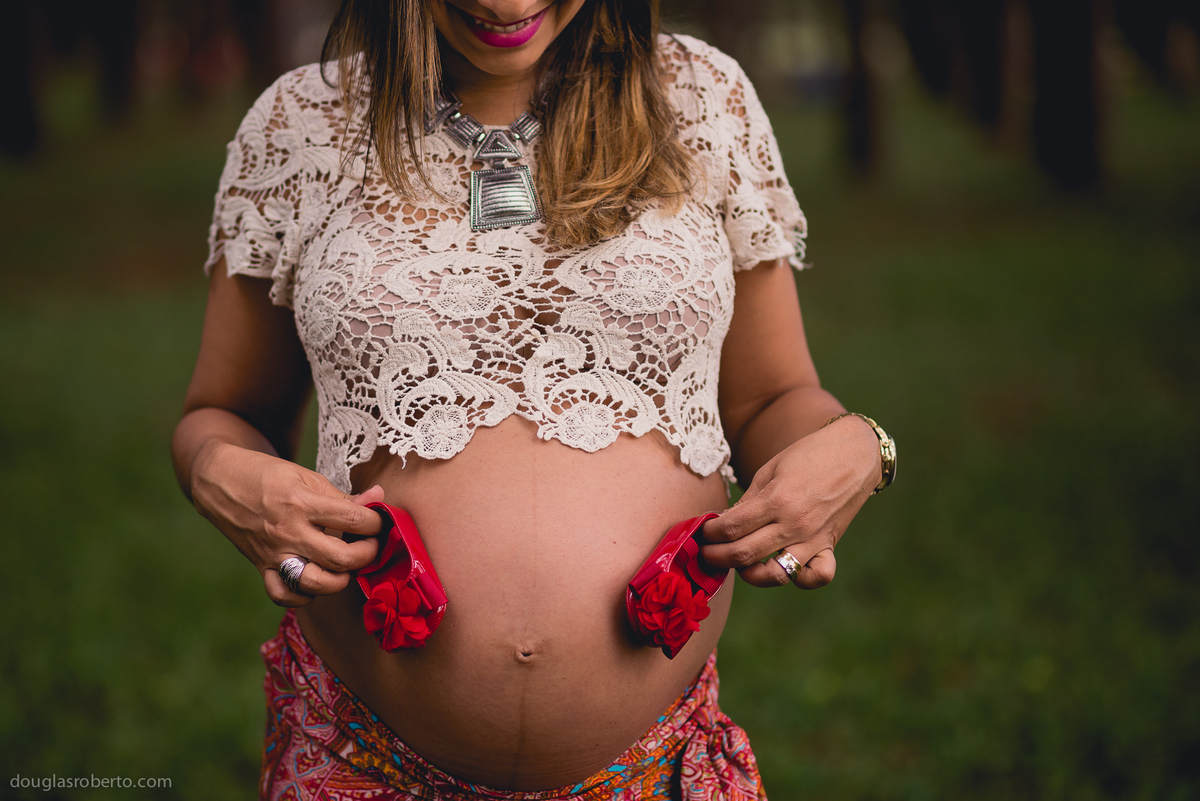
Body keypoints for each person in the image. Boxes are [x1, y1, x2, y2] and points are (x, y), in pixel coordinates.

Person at [171, 0, 895, 798]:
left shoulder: (701, 99)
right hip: (358, 759)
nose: (510, 4)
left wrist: (856, 442)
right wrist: (216, 472)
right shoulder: (301, 124)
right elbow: (226, 410)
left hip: (655, 771)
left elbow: (771, 398)